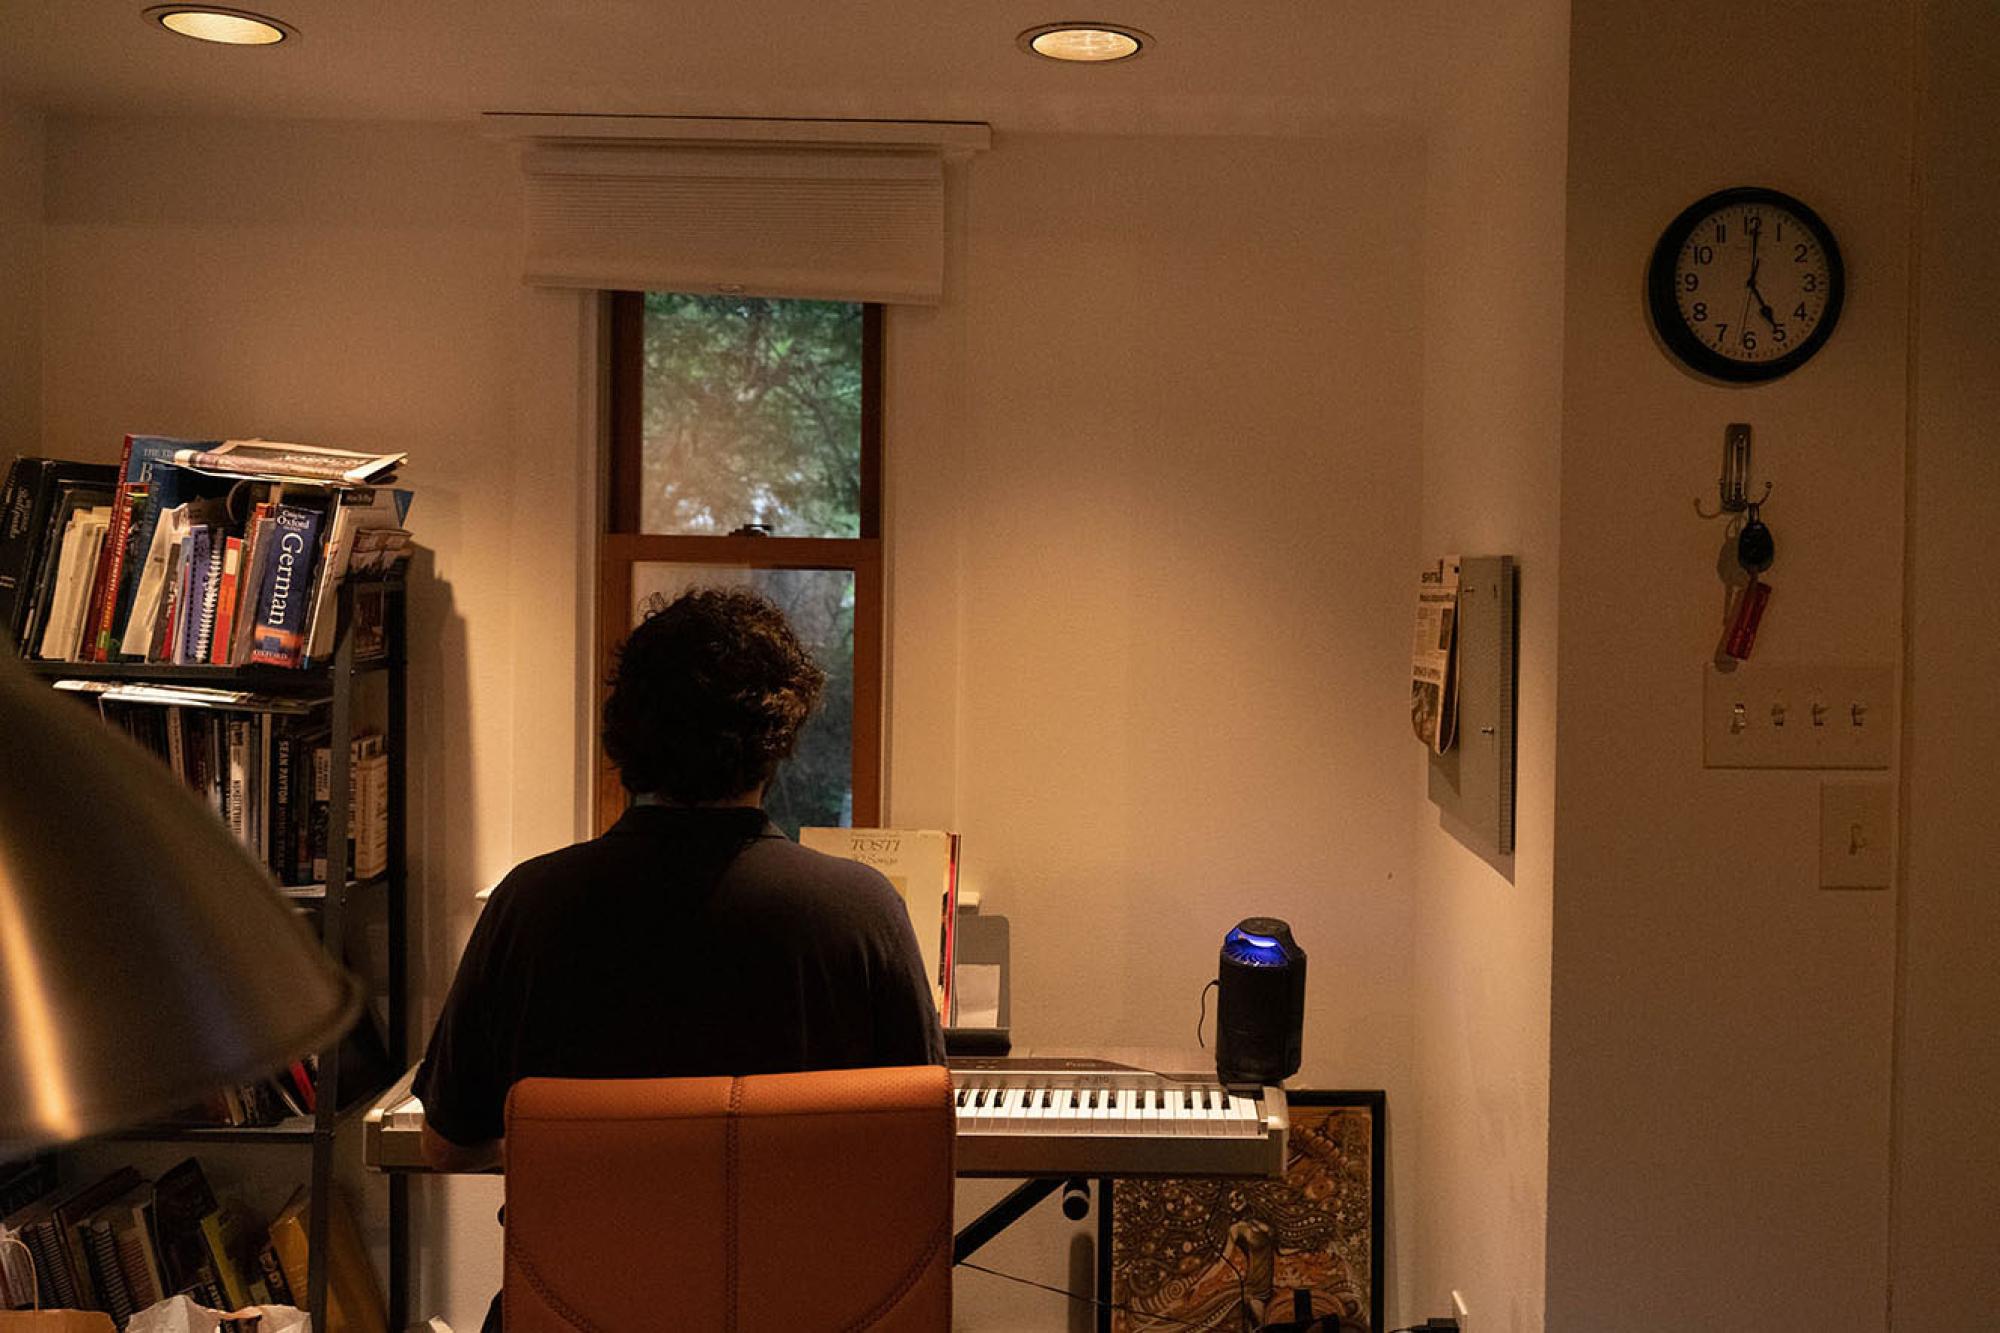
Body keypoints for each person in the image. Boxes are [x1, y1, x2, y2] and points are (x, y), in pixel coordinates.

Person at [412, 586, 946, 1326]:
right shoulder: (863, 911)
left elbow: (444, 1143)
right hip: (800, 1316)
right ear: (776, 741)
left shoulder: (530, 906)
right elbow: (912, 1149)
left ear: (623, 738)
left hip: (581, 1317)